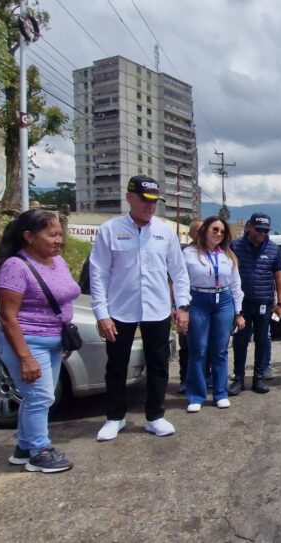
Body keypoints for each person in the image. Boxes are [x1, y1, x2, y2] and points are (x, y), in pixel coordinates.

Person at [91, 176, 190, 441]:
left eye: (154, 202)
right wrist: (101, 313)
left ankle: (155, 416)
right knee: (116, 366)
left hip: (157, 309)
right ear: (129, 198)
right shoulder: (110, 230)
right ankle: (115, 417)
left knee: (158, 364)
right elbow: (98, 273)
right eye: (145, 201)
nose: (150, 207)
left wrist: (182, 306)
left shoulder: (165, 232)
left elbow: (179, 273)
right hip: (120, 310)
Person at [0, 210, 79, 472]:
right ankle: (40, 450)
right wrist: (25, 357)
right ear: (29, 236)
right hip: (28, 342)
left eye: (60, 234)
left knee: (41, 396)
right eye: (51, 235)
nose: (58, 241)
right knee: (39, 398)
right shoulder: (15, 267)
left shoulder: (57, 262)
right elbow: (7, 317)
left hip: (52, 340)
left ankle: (24, 445)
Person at [183, 217, 245, 413]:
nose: (218, 234)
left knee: (220, 350)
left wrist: (238, 312)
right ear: (204, 231)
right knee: (198, 349)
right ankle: (196, 395)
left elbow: (236, 285)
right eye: (214, 230)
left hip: (224, 302)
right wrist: (181, 307)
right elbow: (181, 282)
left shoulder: (228, 255)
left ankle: (220, 393)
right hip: (198, 301)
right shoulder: (189, 253)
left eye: (222, 231)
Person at [230, 212, 281, 395]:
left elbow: (279, 275)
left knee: (262, 341)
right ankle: (238, 379)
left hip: (264, 304)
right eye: (259, 229)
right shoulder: (235, 246)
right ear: (248, 227)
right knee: (240, 341)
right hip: (241, 305)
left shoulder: (273, 249)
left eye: (266, 230)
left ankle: (258, 378)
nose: (262, 233)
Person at [178, 219, 203, 394]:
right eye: (198, 231)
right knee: (187, 345)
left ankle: (205, 377)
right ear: (191, 234)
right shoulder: (184, 253)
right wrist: (177, 306)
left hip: (207, 306)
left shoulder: (214, 252)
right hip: (187, 305)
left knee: (205, 344)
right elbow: (175, 280)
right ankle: (185, 380)